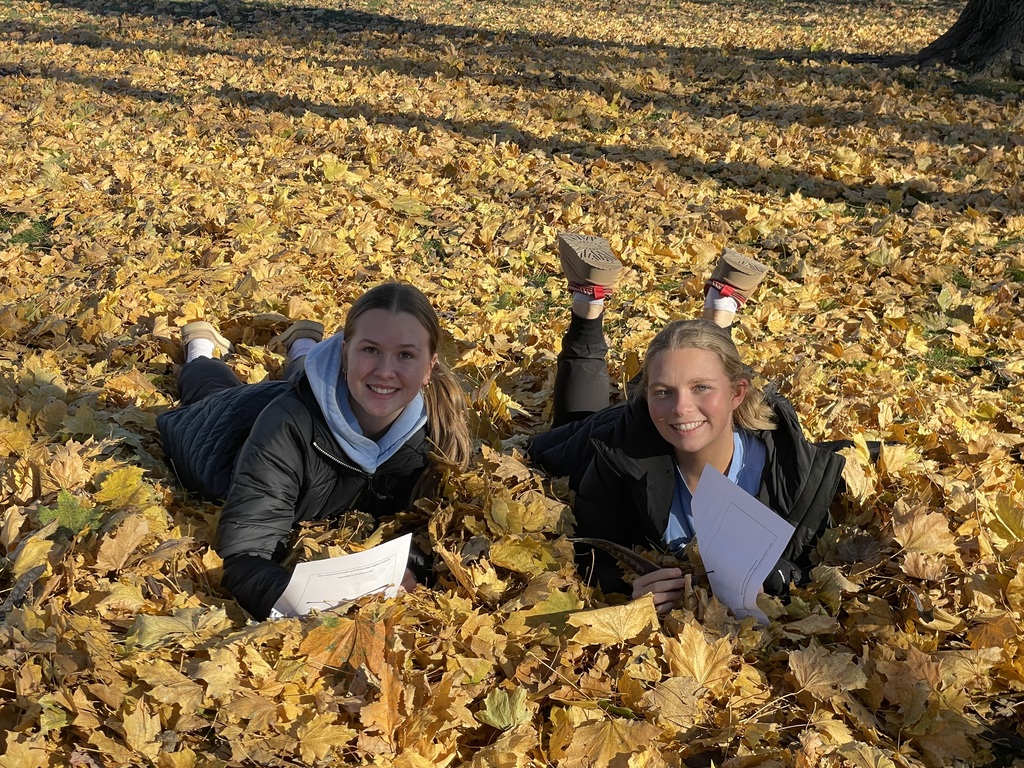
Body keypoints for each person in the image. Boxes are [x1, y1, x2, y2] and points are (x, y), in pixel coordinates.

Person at [527, 234, 847, 614]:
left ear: (738, 394)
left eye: (701, 388)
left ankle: (717, 312)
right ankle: (590, 304)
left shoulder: (793, 475)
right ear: (646, 396)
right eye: (662, 392)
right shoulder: (617, 454)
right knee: (575, 427)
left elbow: (815, 567)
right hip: (621, 434)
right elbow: (591, 550)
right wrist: (626, 587)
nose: (680, 407)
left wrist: (776, 580)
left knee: (698, 383)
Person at [157, 282, 472, 620]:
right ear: (343, 353)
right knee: (210, 388)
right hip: (228, 433)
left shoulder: (442, 429)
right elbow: (246, 553)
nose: (385, 370)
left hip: (324, 393)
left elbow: (444, 534)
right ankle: (201, 348)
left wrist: (415, 570)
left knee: (334, 379)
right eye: (370, 350)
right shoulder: (285, 426)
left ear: (429, 367)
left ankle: (303, 346)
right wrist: (311, 610)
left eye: (406, 355)